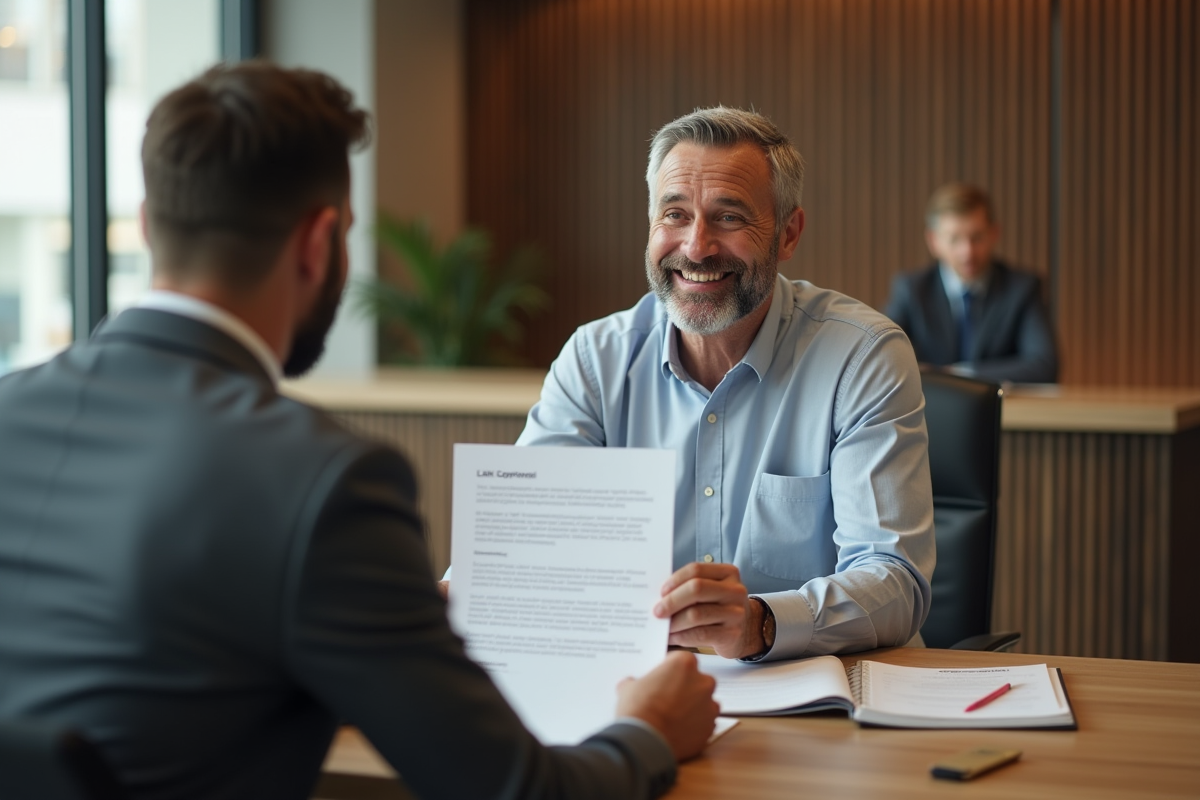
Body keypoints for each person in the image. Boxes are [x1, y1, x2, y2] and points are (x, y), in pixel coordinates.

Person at [0, 62, 718, 800]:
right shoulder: (321, 481)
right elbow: (519, 792)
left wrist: (383, 621)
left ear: (148, 225)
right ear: (320, 244)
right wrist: (648, 730)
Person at [514, 107, 936, 663]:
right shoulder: (595, 360)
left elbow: (894, 581)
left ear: (788, 234)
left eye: (729, 217)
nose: (696, 247)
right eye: (674, 214)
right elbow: (525, 542)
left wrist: (761, 623)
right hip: (640, 694)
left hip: (819, 705)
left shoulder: (862, 356)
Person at [884, 183, 1058, 383]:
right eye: (954, 239)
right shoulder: (911, 289)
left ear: (994, 234)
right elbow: (883, 357)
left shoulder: (1022, 289)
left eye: (977, 238)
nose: (967, 252)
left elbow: (1044, 364)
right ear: (933, 241)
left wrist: (959, 375)